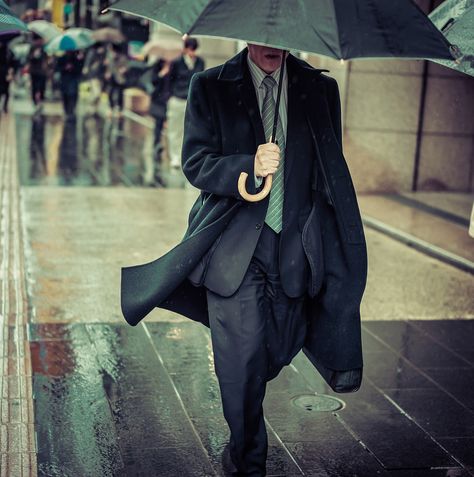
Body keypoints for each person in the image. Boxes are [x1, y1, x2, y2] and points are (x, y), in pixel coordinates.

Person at [120, 45, 368, 476]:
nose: (270, 46)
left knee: (272, 352)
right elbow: (195, 163)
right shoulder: (209, 86)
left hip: (295, 252)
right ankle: (247, 459)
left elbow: (327, 169)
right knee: (240, 362)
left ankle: (247, 387)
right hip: (234, 249)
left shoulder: (319, 89)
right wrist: (247, 167)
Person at [166, 37, 204, 169]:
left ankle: (186, 156)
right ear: (185, 49)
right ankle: (175, 156)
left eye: (194, 50)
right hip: (177, 99)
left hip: (192, 101)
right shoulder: (177, 62)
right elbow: (169, 82)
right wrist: (170, 96)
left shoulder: (200, 62)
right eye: (190, 49)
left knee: (191, 130)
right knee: (175, 130)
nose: (192, 52)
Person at [149, 58, 171, 185]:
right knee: (158, 124)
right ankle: (157, 143)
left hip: (166, 99)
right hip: (158, 100)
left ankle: (160, 143)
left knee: (164, 123)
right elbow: (153, 81)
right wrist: (162, 73)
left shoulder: (174, 66)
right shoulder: (156, 67)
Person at [56, 51, 84, 117]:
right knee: (65, 95)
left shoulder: (76, 59)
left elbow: (79, 69)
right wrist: (65, 68)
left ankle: (72, 110)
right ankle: (66, 111)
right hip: (64, 80)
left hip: (73, 79)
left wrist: (74, 66)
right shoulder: (61, 58)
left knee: (73, 95)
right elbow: (58, 68)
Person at [26, 36, 49, 111]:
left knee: (42, 87)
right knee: (34, 87)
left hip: (42, 72)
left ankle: (41, 100)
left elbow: (47, 59)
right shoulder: (32, 48)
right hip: (34, 71)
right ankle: (35, 101)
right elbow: (28, 58)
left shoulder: (44, 48)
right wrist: (34, 56)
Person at [105, 43, 128, 118]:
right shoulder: (110, 57)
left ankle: (120, 110)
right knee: (110, 93)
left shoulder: (122, 57)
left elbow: (126, 66)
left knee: (120, 95)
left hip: (120, 79)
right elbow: (108, 67)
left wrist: (123, 69)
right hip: (112, 78)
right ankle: (111, 109)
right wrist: (107, 72)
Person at [0, 43, 15, 113]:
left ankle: (5, 106)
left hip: (6, 73)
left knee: (6, 90)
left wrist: (11, 72)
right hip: (3, 73)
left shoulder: (9, 52)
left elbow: (13, 63)